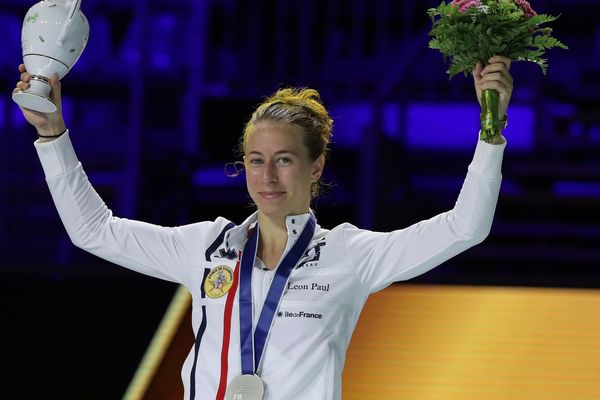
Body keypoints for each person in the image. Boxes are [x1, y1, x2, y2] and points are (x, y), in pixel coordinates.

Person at [14, 55, 512, 400]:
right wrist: (52, 135)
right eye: (255, 160)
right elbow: (94, 231)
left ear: (316, 167)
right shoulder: (206, 246)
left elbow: (464, 228)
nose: (268, 176)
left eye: (285, 160)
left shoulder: (352, 254)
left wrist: (492, 130)